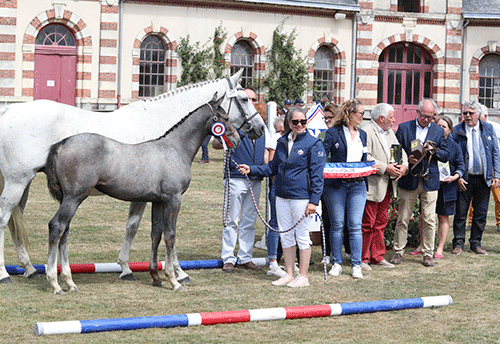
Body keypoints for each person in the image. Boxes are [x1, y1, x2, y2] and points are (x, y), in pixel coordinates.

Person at [238, 107, 325, 287]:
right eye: (295, 122)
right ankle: (289, 273)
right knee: (285, 235)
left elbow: (317, 175)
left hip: (302, 197)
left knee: (302, 236)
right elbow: (272, 167)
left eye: (303, 121)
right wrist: (252, 169)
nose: (299, 125)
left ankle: (303, 276)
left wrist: (313, 201)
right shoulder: (282, 141)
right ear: (289, 123)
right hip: (281, 195)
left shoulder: (313, 143)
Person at [218, 87, 276, 273]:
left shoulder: (261, 128)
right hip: (235, 178)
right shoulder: (233, 125)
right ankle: (228, 257)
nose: (251, 102)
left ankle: (245, 256)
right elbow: (217, 144)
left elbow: (267, 154)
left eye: (253, 99)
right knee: (231, 219)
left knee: (249, 220)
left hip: (255, 179)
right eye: (247, 99)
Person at [390, 98, 449, 267]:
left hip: (430, 181)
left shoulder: (438, 131)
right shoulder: (404, 128)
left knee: (430, 219)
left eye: (431, 117)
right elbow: (395, 149)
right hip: (410, 178)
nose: (427, 120)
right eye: (424, 116)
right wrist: (405, 159)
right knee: (403, 218)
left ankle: (428, 253)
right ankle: (398, 251)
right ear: (417, 113)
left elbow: (446, 155)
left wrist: (435, 150)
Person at [322, 99, 373, 279]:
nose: (363, 116)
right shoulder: (333, 133)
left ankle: (356, 264)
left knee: (355, 225)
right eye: (360, 113)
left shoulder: (363, 134)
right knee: (337, 224)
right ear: (349, 114)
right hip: (336, 186)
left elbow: (364, 157)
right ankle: (336, 262)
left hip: (357, 185)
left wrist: (370, 168)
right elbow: (322, 155)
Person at [360, 103, 408, 270]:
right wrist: (384, 167)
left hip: (387, 186)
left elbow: (400, 152)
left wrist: (404, 166)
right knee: (367, 223)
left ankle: (377, 256)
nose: (394, 120)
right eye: (391, 117)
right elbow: (365, 156)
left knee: (381, 222)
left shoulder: (389, 133)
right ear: (381, 118)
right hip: (372, 185)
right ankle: (363, 258)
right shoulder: (366, 131)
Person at [451, 101, 500, 256]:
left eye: (471, 113)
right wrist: (457, 176)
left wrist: (497, 174)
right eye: (465, 113)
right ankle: (458, 243)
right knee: (461, 213)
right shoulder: (457, 131)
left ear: (478, 114)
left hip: (483, 179)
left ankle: (476, 243)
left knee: (481, 213)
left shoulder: (488, 129)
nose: (467, 116)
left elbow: (496, 153)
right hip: (464, 178)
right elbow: (452, 157)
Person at [467, 105, 500, 233]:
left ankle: (499, 222)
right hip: (479, 170)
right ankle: (470, 222)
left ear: (485, 116)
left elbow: (496, 151)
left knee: (498, 197)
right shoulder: (471, 128)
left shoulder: (495, 128)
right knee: (473, 200)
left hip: (494, 169)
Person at [318, 104, 337, 264]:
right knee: (327, 219)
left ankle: (348, 251)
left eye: (330, 118)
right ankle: (327, 253)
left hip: (343, 181)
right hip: (327, 183)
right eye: (325, 118)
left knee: (343, 221)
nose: (327, 121)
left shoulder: (343, 134)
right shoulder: (321, 136)